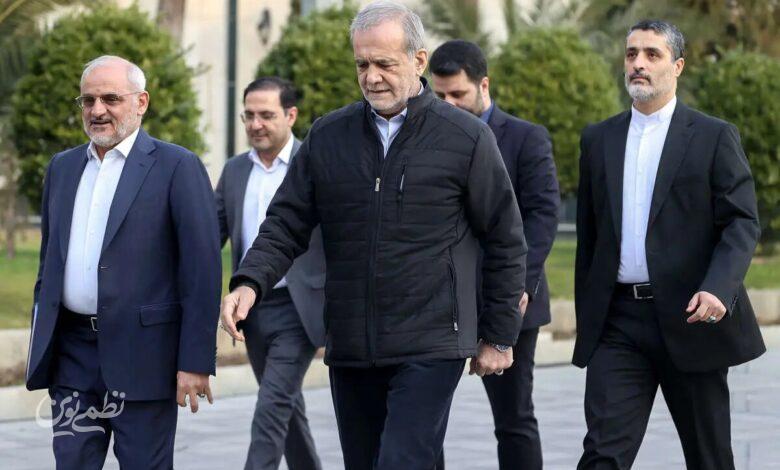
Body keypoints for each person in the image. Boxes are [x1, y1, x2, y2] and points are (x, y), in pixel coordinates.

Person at [220, 2, 527, 468]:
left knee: (401, 460)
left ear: (418, 61)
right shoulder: (328, 136)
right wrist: (250, 281)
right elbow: (285, 222)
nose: (372, 77)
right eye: (362, 64)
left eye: (384, 63)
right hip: (351, 344)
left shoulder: (465, 138)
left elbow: (504, 237)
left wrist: (499, 335)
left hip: (431, 342)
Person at [574, 20, 765, 469]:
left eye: (652, 54)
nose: (638, 63)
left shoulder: (713, 136)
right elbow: (590, 235)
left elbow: (741, 221)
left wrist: (718, 288)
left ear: (677, 66)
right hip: (619, 324)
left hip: (691, 316)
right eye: (631, 54)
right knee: (602, 454)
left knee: (708, 457)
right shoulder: (598, 139)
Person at [25, 55, 222, 469]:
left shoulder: (177, 166)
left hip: (144, 357)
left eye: (111, 99)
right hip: (73, 358)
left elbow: (201, 272)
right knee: (72, 462)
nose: (97, 110)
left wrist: (195, 361)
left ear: (141, 102)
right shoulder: (62, 168)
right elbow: (49, 263)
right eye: (88, 100)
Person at [430, 39, 560, 470]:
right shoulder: (425, 140)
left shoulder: (526, 138)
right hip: (439, 302)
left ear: (483, 86)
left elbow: (542, 216)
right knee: (424, 420)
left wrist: (518, 287)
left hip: (509, 299)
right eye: (440, 96)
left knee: (513, 418)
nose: (448, 104)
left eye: (458, 94)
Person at [215, 77, 325, 470]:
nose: (255, 124)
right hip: (253, 310)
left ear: (290, 115)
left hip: (300, 307)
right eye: (249, 115)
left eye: (266, 115)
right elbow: (211, 234)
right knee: (285, 407)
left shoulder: (312, 164)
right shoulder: (234, 171)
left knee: (272, 403)